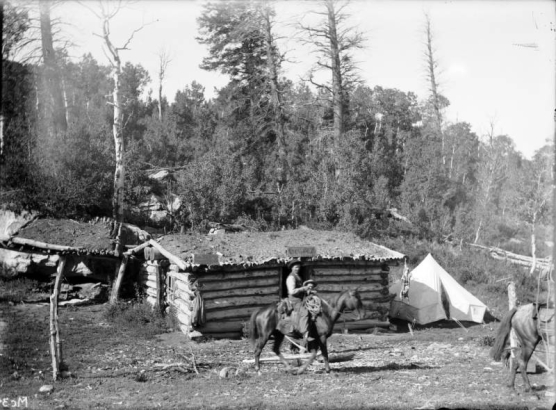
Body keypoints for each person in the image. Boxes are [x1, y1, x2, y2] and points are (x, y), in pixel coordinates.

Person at [285, 260, 315, 343]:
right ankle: (304, 332)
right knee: (305, 312)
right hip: (294, 300)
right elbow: (292, 291)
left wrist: (308, 291)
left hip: (300, 299)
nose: (297, 269)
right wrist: (303, 288)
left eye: (298, 267)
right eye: (295, 267)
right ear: (292, 268)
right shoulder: (291, 277)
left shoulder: (297, 276)